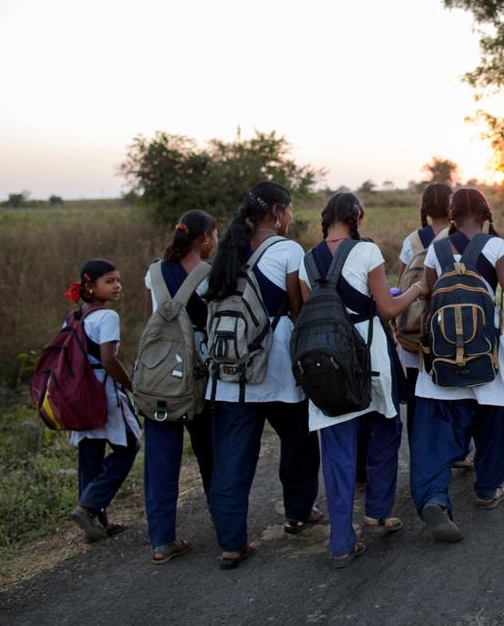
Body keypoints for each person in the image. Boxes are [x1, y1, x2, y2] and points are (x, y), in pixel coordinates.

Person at [410, 187, 504, 543]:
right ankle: (487, 489)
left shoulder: (436, 249)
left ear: (452, 214)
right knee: (495, 423)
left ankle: (433, 497)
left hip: (442, 359)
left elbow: (429, 300)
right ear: (485, 213)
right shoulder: (496, 247)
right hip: (486, 352)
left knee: (436, 432)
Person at [299, 193, 426, 567]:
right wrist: (416, 291)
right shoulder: (366, 252)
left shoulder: (307, 261)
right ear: (356, 217)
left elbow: (307, 312)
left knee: (336, 450)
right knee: (386, 426)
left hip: (325, 362)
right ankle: (378, 512)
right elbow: (386, 308)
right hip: (368, 354)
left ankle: (341, 542)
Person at [203, 182, 322, 569]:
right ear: (275, 212)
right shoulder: (286, 250)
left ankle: (231, 544)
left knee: (232, 459)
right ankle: (298, 512)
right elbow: (296, 308)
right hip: (274, 368)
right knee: (300, 442)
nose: (289, 217)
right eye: (287, 210)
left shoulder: (227, 250)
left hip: (227, 371)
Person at [141, 209, 218, 564]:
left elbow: (149, 326)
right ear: (204, 239)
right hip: (198, 379)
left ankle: (161, 541)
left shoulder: (153, 273)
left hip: (158, 378)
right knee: (211, 455)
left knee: (160, 459)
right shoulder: (209, 276)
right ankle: (225, 528)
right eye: (214, 235)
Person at [65, 259, 141, 542]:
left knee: (90, 456)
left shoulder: (74, 318)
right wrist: (131, 385)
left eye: (118, 280)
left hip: (78, 396)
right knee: (130, 445)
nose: (117, 285)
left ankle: (96, 525)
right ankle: (88, 506)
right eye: (109, 281)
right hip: (104, 394)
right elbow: (109, 359)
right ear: (89, 286)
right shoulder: (107, 317)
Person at [393, 182, 453, 447]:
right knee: (451, 392)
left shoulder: (411, 241)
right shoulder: (458, 237)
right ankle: (454, 450)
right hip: (450, 329)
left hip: (414, 329)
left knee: (417, 395)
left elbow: (401, 281)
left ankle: (419, 448)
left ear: (425, 209)